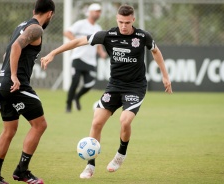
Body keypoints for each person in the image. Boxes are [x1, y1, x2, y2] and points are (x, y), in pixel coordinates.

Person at [41, 4, 172, 179]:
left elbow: (156, 51)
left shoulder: (142, 36)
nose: (123, 26)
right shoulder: (107, 35)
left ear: (133, 20)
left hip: (135, 87)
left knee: (125, 121)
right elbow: (78, 41)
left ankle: (120, 155)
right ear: (116, 20)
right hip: (114, 86)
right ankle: (90, 166)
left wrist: (165, 75)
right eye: (120, 22)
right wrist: (53, 53)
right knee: (96, 123)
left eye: (127, 22)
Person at [0, 0, 55, 184]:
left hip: (2, 84)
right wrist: (15, 76)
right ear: (50, 14)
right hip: (16, 85)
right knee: (40, 125)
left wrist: (7, 75)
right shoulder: (36, 29)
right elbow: (16, 47)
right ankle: (22, 171)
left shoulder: (21, 25)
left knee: (9, 131)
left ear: (34, 10)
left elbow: (7, 52)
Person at [64, 3, 106, 113]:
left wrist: (101, 52)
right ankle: (68, 105)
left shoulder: (98, 28)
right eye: (96, 11)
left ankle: (77, 97)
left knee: (90, 84)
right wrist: (76, 42)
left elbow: (98, 44)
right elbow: (67, 32)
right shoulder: (81, 24)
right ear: (90, 12)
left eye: (99, 12)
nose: (98, 13)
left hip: (90, 61)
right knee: (75, 82)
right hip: (78, 57)